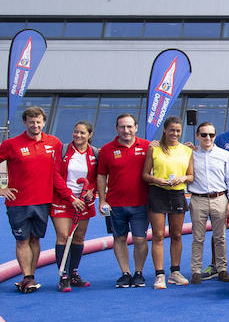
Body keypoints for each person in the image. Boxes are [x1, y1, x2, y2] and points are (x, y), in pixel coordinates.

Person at [0, 105, 66, 293]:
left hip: (43, 201)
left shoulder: (54, 143)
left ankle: (31, 276)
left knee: (35, 239)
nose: (35, 125)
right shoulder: (11, 144)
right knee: (22, 240)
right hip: (18, 202)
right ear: (25, 123)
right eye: (31, 122)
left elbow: (59, 171)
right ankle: (27, 277)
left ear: (44, 122)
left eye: (38, 122)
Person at [97, 113, 152, 288]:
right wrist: (102, 199)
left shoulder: (147, 147)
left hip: (141, 203)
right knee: (119, 238)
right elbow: (101, 176)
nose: (126, 130)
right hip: (115, 205)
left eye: (129, 126)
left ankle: (138, 272)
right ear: (117, 128)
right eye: (122, 126)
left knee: (140, 239)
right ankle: (125, 273)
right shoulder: (106, 150)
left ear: (136, 127)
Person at [142, 115, 194, 289]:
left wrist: (183, 178)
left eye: (178, 130)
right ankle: (159, 275)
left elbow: (191, 175)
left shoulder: (187, 151)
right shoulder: (154, 149)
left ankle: (175, 272)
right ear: (165, 130)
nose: (175, 133)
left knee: (177, 234)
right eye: (172, 130)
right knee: (157, 235)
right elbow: (145, 174)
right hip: (157, 192)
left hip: (177, 193)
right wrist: (157, 180)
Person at [49, 120, 98, 291]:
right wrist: (70, 197)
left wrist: (92, 190)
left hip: (84, 202)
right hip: (63, 200)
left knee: (79, 238)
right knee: (63, 236)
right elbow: (55, 175)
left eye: (82, 133)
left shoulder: (95, 154)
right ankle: (63, 275)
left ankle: (73, 272)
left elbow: (98, 178)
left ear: (89, 135)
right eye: (76, 132)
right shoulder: (62, 151)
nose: (78, 135)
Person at [188, 121, 229, 285]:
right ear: (197, 136)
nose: (207, 138)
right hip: (198, 199)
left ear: (215, 136)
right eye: (203, 135)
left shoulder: (224, 155)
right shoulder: (190, 154)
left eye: (211, 135)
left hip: (219, 199)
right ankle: (195, 270)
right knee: (198, 237)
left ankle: (222, 269)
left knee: (220, 237)